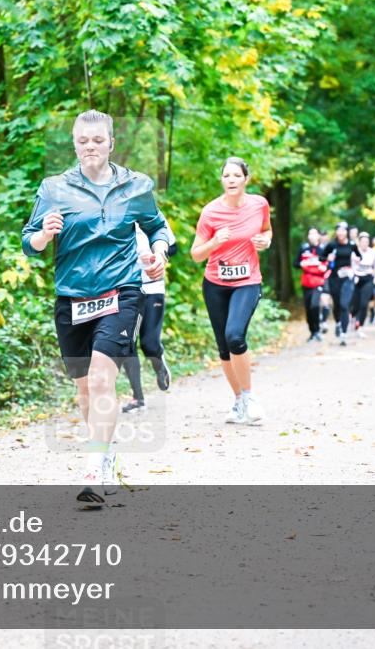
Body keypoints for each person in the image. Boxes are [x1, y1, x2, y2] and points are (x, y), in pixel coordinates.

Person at [22, 110, 171, 507]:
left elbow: (158, 227)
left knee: (103, 378)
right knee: (85, 388)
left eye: (98, 140)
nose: (90, 146)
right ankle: (104, 454)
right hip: (72, 297)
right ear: (74, 144)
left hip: (121, 292)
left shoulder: (135, 186)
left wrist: (157, 253)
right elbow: (28, 241)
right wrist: (43, 235)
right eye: (83, 141)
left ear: (111, 143)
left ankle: (91, 469)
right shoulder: (54, 188)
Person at [191, 157, 272, 425]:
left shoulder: (259, 204)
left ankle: (249, 397)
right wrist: (214, 242)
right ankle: (238, 402)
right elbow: (196, 254)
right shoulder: (210, 212)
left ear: (246, 179)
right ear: (222, 180)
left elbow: (267, 230)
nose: (231, 180)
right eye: (227, 176)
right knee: (224, 348)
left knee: (235, 336)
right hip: (215, 284)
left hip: (247, 281)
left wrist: (265, 241)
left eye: (237, 175)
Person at [122, 222, 177, 413]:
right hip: (125, 289)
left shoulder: (151, 215)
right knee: (127, 342)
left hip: (153, 287)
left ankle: (159, 365)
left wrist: (156, 255)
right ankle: (137, 397)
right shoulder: (113, 215)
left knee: (149, 344)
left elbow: (173, 247)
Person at [323, 221, 356, 346]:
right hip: (334, 279)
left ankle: (343, 334)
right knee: (337, 304)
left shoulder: (352, 245)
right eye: (339, 230)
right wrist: (327, 258)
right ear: (336, 232)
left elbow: (359, 256)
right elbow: (321, 257)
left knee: (344, 305)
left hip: (348, 278)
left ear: (347, 232)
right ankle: (338, 323)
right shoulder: (332, 245)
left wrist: (357, 259)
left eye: (343, 230)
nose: (341, 233)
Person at [295, 227, 329, 342]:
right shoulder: (304, 248)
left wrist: (324, 267)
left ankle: (317, 330)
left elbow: (328, 264)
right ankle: (312, 332)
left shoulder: (323, 249)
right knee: (308, 308)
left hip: (318, 282)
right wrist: (301, 263)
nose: (312, 236)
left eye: (314, 233)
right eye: (310, 233)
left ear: (318, 236)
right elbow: (295, 263)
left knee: (315, 305)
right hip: (306, 282)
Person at [350, 231, 375, 338]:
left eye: (366, 242)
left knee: (364, 303)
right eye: (362, 242)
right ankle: (353, 317)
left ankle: (360, 326)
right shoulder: (354, 252)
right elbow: (350, 265)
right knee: (355, 304)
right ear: (359, 242)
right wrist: (352, 275)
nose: (364, 244)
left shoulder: (373, 252)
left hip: (368, 279)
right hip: (356, 279)